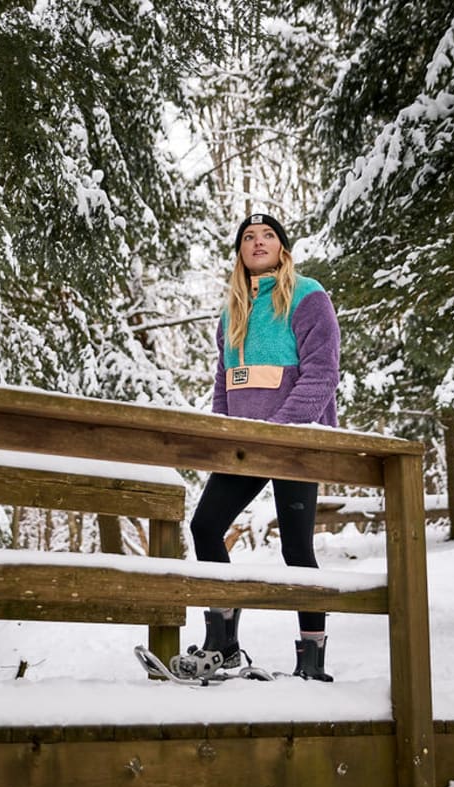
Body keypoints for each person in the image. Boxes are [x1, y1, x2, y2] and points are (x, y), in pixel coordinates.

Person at [171, 212, 341, 682]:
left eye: (268, 235)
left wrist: (279, 431)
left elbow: (323, 374)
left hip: (295, 442)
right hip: (245, 444)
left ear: (282, 248)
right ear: (240, 252)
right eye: (249, 237)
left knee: (296, 548)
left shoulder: (309, 296)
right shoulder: (233, 311)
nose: (258, 242)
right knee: (205, 526)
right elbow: (224, 383)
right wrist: (222, 435)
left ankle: (312, 662)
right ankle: (223, 644)